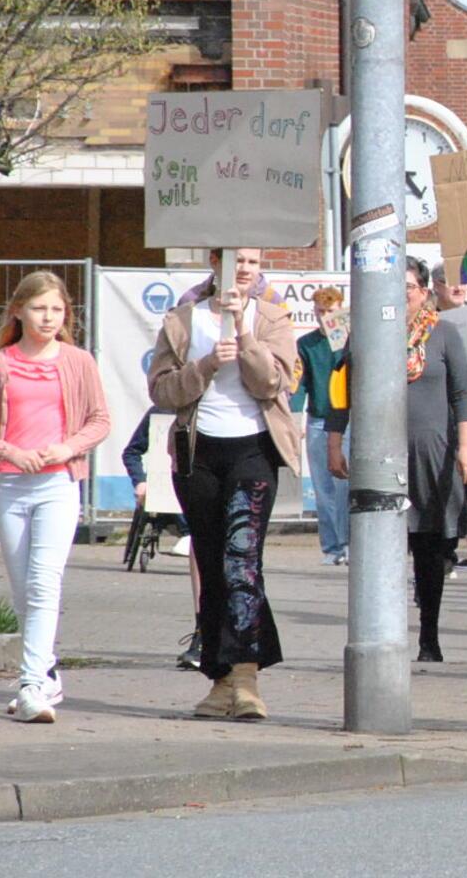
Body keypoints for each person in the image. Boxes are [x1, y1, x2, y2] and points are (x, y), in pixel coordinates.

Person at [148, 247, 298, 721]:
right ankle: (219, 680)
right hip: (199, 452)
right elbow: (161, 390)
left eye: (254, 262)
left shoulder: (272, 317)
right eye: (238, 262)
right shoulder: (183, 318)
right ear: (216, 262)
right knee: (212, 564)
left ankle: (247, 678)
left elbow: (271, 384)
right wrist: (208, 363)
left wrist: (245, 332)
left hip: (253, 449)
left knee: (243, 560)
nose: (246, 270)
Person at [327, 257, 467, 663]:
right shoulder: (367, 334)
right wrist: (334, 442)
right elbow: (342, 389)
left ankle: (428, 636)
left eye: (408, 287)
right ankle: (382, 635)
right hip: (378, 454)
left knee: (431, 548)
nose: (400, 295)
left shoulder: (445, 334)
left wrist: (466, 448)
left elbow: (463, 395)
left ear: (424, 292)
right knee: (382, 545)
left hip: (432, 455)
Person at [0, 272, 109, 724]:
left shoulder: (78, 361)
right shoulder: (4, 361)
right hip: (8, 483)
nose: (48, 317)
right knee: (24, 589)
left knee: (45, 583)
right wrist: (10, 451)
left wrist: (67, 447)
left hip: (58, 484)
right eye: (40, 308)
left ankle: (29, 686)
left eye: (57, 309)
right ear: (19, 311)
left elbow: (100, 420)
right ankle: (46, 672)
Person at [123, 406, 203, 669]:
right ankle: (203, 632)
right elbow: (131, 452)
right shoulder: (162, 411)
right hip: (173, 495)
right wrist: (141, 482)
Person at [293, 286, 349, 564]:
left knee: (344, 487)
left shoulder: (349, 340)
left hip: (347, 420)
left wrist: (344, 339)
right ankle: (331, 547)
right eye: (320, 312)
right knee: (323, 487)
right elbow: (299, 384)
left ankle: (347, 541)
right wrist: (295, 418)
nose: (324, 316)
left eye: (330, 311)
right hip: (318, 419)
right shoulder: (306, 344)